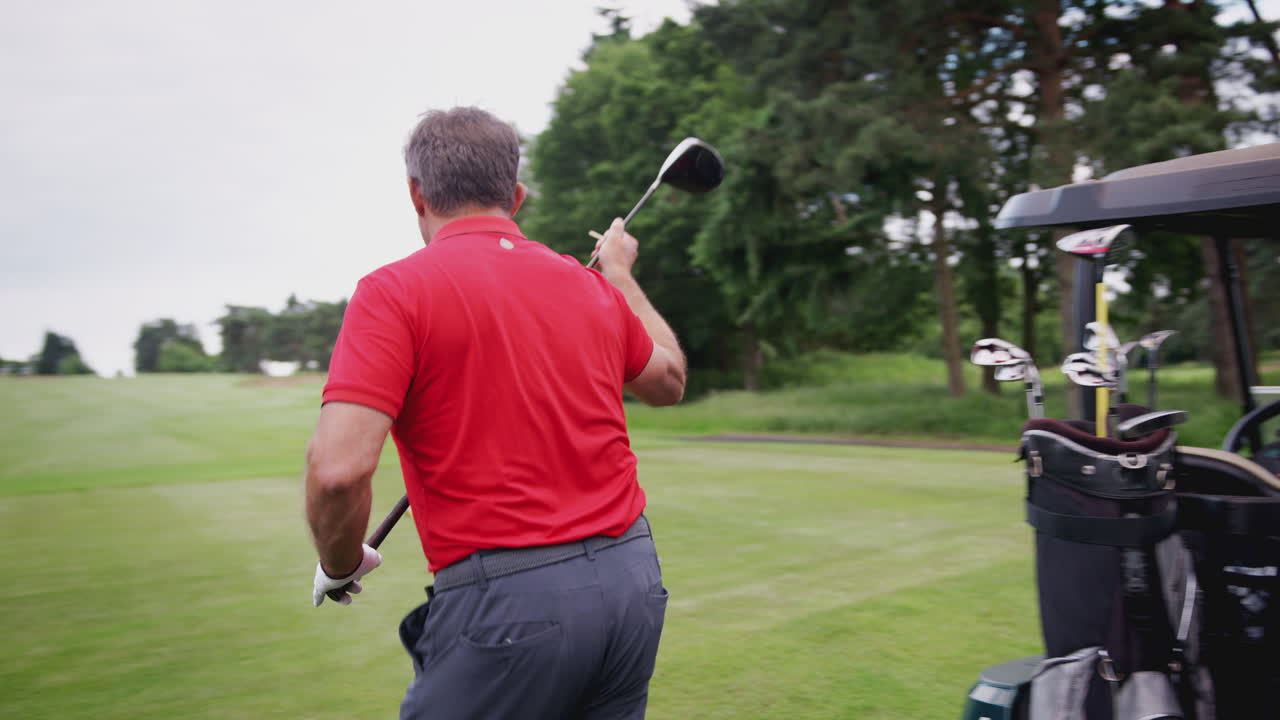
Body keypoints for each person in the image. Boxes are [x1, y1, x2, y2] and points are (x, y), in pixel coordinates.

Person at [304, 106, 687, 720]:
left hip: (510, 609)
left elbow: (338, 472)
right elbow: (668, 379)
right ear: (515, 196)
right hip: (631, 584)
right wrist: (619, 277)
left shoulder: (393, 291)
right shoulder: (590, 286)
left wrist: (340, 562)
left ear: (416, 194)